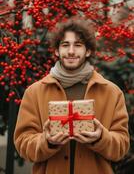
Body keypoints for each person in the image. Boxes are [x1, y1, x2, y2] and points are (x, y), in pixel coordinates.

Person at [14, 18, 130, 174]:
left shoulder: (112, 93)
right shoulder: (34, 93)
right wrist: (46, 141)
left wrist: (101, 137)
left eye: (78, 45)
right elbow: (23, 144)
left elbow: (122, 147)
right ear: (56, 50)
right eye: (65, 45)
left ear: (88, 51)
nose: (71, 51)